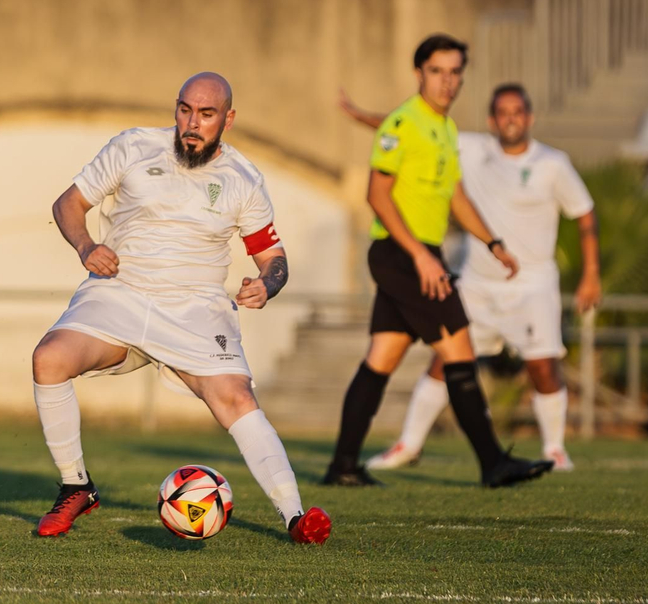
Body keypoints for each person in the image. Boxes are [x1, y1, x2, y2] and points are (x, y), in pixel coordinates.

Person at [29, 72, 331, 545]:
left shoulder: (243, 179)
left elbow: (274, 260)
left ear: (228, 119)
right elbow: (69, 204)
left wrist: (267, 286)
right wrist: (87, 246)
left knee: (236, 400)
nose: (192, 123)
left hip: (197, 309)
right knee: (49, 359)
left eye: (206, 114)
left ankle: (296, 517)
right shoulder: (133, 147)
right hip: (120, 293)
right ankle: (76, 486)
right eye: (185, 109)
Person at [324, 34, 553, 488]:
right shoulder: (402, 123)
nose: (447, 81)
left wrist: (492, 242)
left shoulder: (445, 129)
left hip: (416, 254)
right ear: (419, 74)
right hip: (401, 252)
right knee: (459, 351)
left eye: (454, 72)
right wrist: (422, 258)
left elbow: (457, 197)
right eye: (437, 71)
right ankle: (493, 464)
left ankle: (343, 466)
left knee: (381, 358)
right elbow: (377, 195)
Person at [337, 83, 600, 471]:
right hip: (476, 280)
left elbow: (584, 213)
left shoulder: (553, 163)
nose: (510, 119)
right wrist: (360, 115)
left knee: (542, 365)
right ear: (492, 119)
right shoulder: (471, 148)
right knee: (445, 360)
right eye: (502, 112)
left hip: (532, 283)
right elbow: (403, 132)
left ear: (529, 117)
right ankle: (409, 445)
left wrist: (591, 273)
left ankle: (554, 449)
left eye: (518, 112)